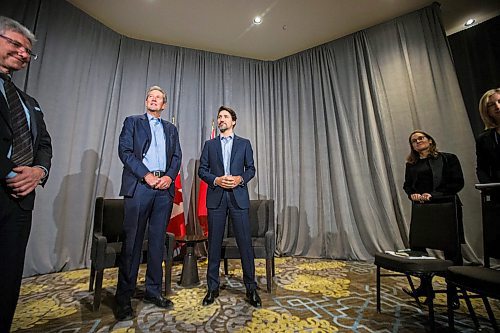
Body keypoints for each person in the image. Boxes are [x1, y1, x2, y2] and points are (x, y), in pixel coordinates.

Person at [0, 16, 53, 332]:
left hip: (21, 205)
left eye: (27, 51)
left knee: (7, 282)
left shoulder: (29, 102)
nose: (22, 54)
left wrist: (38, 171)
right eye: (15, 44)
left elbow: (44, 143)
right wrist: (10, 174)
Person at [115, 86, 181, 321]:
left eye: (158, 98)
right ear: (146, 102)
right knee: (132, 244)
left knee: (156, 243)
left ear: (164, 105)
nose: (154, 100)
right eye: (150, 97)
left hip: (163, 190)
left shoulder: (171, 129)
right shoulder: (132, 122)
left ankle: (153, 291)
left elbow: (176, 157)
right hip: (140, 187)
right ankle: (123, 299)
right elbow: (125, 152)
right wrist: (147, 176)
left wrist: (169, 177)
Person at [198, 105, 261, 307]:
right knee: (214, 245)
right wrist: (216, 180)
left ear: (233, 121)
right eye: (219, 117)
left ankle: (251, 288)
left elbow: (251, 169)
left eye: (225, 116)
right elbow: (202, 170)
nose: (221, 119)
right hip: (216, 198)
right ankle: (212, 288)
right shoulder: (210, 145)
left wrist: (240, 179)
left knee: (245, 245)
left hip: (238, 198)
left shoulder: (244, 144)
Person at [402, 130, 464, 308]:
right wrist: (412, 194)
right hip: (423, 210)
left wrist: (434, 195)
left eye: (421, 138)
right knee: (418, 248)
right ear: (412, 146)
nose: (418, 141)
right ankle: (425, 287)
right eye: (414, 141)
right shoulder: (411, 165)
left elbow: (457, 183)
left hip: (445, 208)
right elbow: (407, 185)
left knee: (451, 251)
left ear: (430, 140)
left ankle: (454, 293)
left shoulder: (448, 158)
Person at [476, 88, 500, 184]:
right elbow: (482, 169)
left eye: (499, 101)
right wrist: (489, 187)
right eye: (491, 105)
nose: (497, 107)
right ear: (487, 111)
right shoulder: (483, 139)